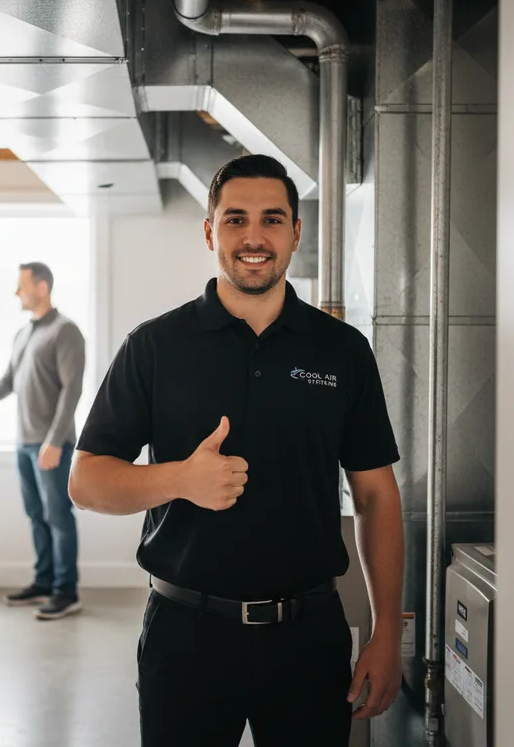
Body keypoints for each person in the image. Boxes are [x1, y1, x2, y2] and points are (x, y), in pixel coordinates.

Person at [69, 155, 405, 746]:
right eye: (235, 220)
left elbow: (377, 495)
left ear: (297, 232)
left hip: (309, 637)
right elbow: (87, 481)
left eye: (273, 219)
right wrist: (178, 479)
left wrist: (385, 634)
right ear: (209, 231)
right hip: (186, 635)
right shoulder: (154, 347)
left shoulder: (343, 352)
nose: (254, 237)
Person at [0, 262, 86, 620]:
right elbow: (8, 381)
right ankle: (44, 582)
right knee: (36, 515)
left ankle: (67, 591)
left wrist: (54, 441)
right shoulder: (23, 334)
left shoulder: (66, 331)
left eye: (22, 285)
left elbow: (72, 390)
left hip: (51, 445)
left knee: (58, 516)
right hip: (24, 443)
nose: (17, 292)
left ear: (42, 287)